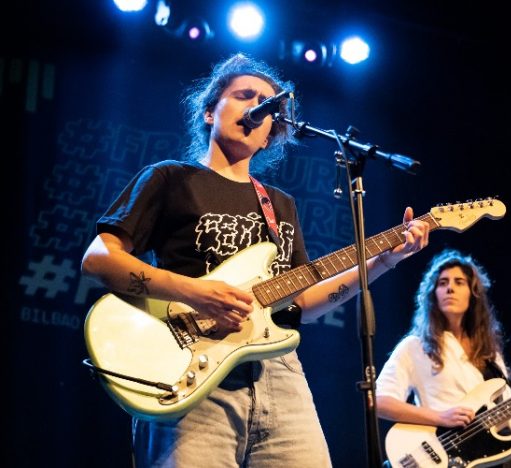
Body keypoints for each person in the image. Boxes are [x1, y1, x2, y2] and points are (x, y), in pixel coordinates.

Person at [81, 52, 429, 467]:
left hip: (280, 376)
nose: (257, 108)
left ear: (268, 136)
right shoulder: (170, 178)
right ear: (210, 112)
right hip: (191, 373)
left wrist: (384, 261)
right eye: (244, 95)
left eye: (267, 105)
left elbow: (302, 302)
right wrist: (195, 292)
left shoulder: (279, 204)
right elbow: (99, 259)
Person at [375, 249, 511, 468]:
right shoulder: (415, 346)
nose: (450, 288)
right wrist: (440, 417)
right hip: (444, 457)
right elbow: (379, 402)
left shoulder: (490, 354)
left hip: (496, 459)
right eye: (442, 283)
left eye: (459, 282)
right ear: (433, 293)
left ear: (473, 294)